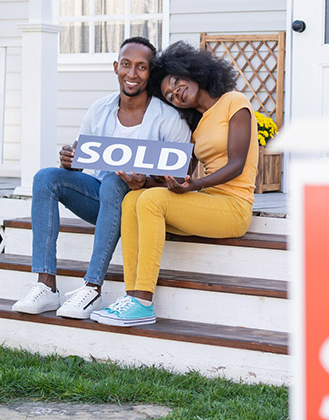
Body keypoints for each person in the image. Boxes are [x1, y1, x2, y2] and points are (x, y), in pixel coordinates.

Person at [12, 37, 191, 319]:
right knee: (45, 178)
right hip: (101, 202)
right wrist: (69, 162)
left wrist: (145, 183)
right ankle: (46, 286)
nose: (132, 74)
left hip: (140, 208)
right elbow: (82, 162)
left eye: (141, 67)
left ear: (151, 72)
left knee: (112, 180)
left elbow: (179, 179)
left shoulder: (167, 118)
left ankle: (92, 287)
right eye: (126, 65)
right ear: (115, 67)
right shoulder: (100, 109)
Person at [93, 41, 257, 327]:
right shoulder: (198, 125)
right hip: (207, 202)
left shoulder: (235, 102)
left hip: (234, 207)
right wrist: (145, 179)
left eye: (177, 82)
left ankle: (143, 302)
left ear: (191, 71)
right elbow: (180, 173)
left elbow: (236, 164)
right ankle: (131, 297)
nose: (176, 93)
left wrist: (194, 185)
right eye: (169, 94)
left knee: (151, 201)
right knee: (133, 199)